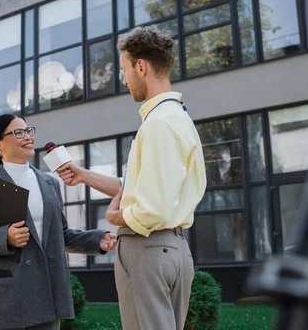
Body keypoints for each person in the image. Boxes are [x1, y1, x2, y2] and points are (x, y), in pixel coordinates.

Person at [57, 26, 207, 330]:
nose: (124, 79)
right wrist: (83, 175)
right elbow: (140, 189)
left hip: (147, 249)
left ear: (142, 66)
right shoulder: (178, 118)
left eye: (125, 70)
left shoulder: (158, 125)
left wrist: (115, 216)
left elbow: (153, 209)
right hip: (173, 249)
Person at [0, 113, 116, 330]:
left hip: (46, 294)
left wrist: (96, 240)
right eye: (18, 132)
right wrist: (4, 237)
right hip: (6, 299)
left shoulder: (49, 183)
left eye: (28, 131)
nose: (27, 137)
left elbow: (59, 234)